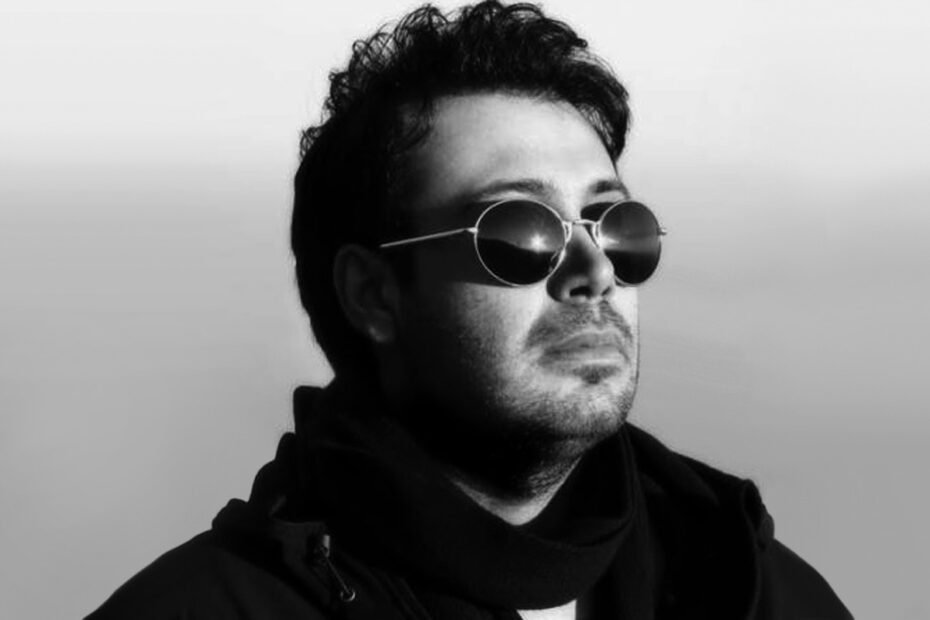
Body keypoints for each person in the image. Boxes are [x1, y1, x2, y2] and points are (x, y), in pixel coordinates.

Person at [86, 2, 852, 618]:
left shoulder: (746, 586)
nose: (594, 273)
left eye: (618, 227)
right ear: (374, 294)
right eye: (520, 234)